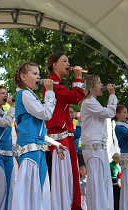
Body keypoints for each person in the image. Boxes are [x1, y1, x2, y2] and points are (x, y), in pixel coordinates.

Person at [11, 61, 65, 210]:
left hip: (38, 151)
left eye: (39, 74)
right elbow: (46, 114)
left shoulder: (30, 96)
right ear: (23, 77)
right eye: (34, 74)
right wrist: (49, 92)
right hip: (30, 152)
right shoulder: (24, 94)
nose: (39, 77)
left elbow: (38, 132)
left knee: (40, 192)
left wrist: (55, 143)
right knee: (31, 194)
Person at [43, 53, 85, 210]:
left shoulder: (57, 83)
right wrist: (78, 77)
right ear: (55, 65)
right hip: (59, 138)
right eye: (65, 61)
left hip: (65, 136)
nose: (69, 64)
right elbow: (75, 97)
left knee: (69, 177)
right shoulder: (52, 83)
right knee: (64, 179)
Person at [79, 75, 117, 210]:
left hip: (99, 148)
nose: (102, 86)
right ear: (93, 86)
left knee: (103, 184)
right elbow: (110, 112)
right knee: (97, 185)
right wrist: (112, 95)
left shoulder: (93, 102)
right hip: (94, 149)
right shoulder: (88, 102)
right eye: (99, 83)